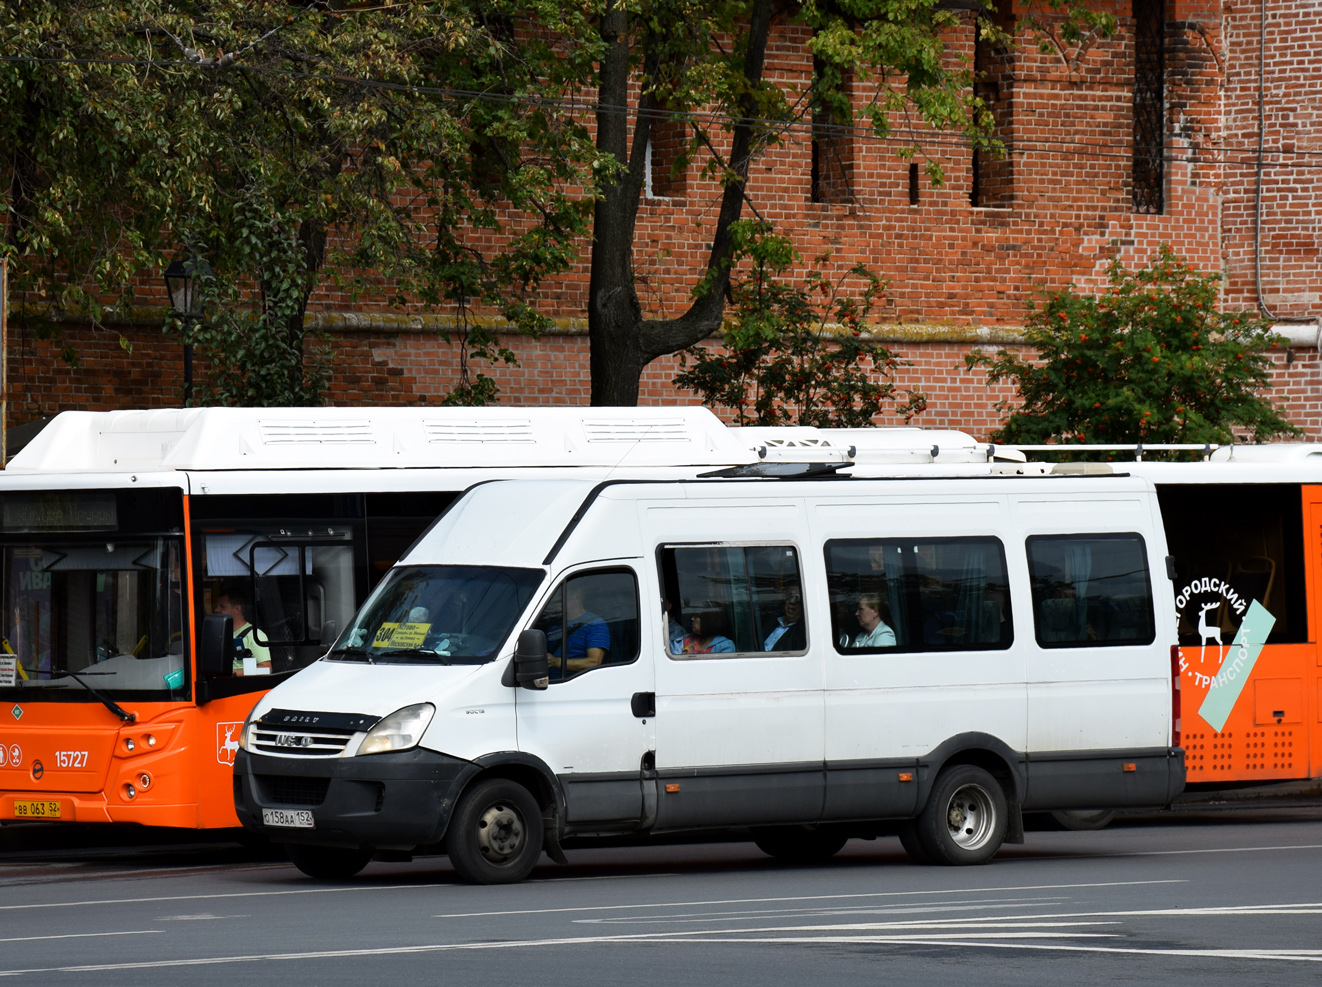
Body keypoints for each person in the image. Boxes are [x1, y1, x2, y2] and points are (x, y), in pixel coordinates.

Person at [548, 581, 610, 676]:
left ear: (577, 596)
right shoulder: (554, 625)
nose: (556, 602)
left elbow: (594, 662)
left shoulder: (595, 624)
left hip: (574, 683)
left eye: (561, 598)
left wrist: (556, 662)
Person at [215, 585, 271, 675]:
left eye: (222, 607)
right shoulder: (220, 634)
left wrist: (233, 674)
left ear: (237, 609)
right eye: (217, 606)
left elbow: (266, 669)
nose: (217, 610)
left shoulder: (255, 635)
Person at [764, 584, 806, 651]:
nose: (792, 601)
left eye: (798, 598)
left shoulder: (803, 633)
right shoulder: (770, 621)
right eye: (790, 596)